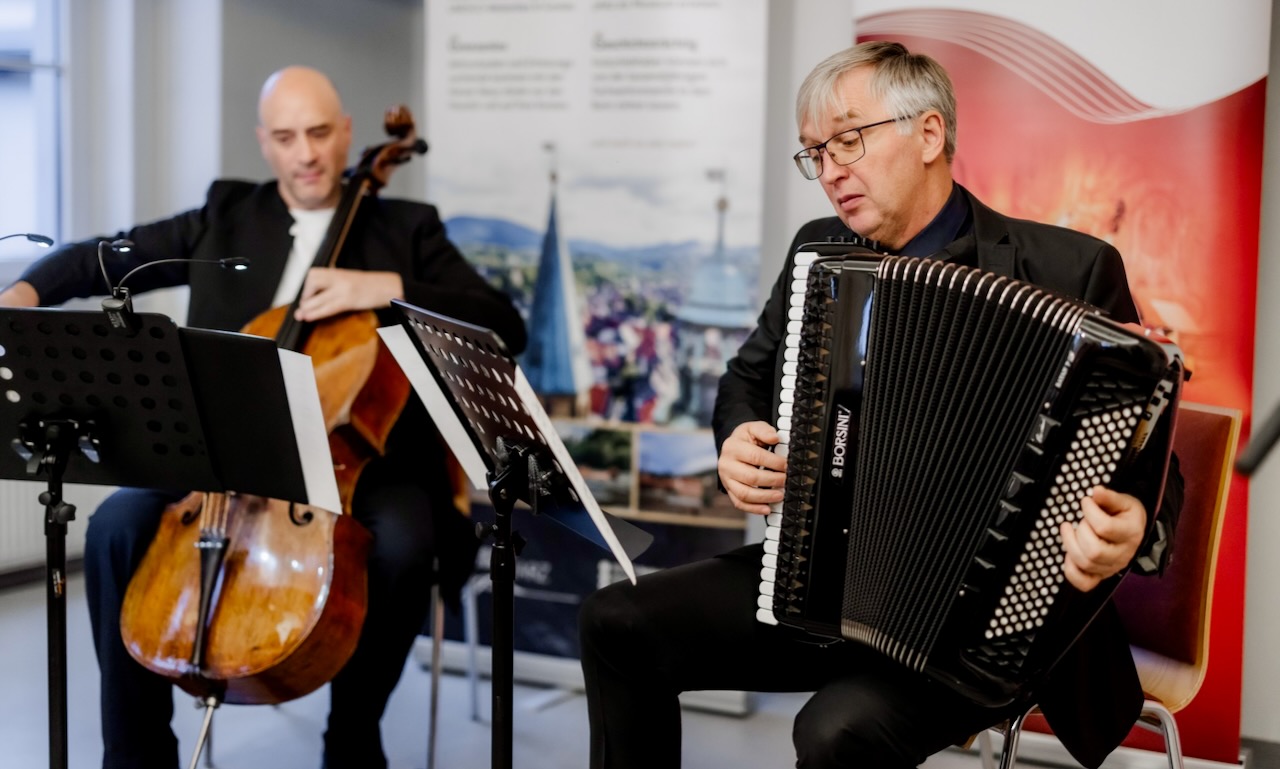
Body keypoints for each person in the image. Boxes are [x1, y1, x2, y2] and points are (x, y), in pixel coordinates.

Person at [578, 41, 1183, 769]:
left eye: (848, 140)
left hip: (986, 626)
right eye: (815, 152)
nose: (830, 169)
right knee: (617, 620)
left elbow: (1150, 464)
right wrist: (738, 436)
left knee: (837, 731)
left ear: (928, 134)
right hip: (823, 584)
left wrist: (1132, 522)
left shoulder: (1071, 269)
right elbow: (745, 377)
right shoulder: (818, 252)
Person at [0, 66, 526, 769]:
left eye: (319, 133)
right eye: (285, 137)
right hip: (223, 455)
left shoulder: (407, 228)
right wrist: (23, 294)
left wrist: (386, 286)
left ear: (346, 133)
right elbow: (107, 255)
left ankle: (352, 736)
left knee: (405, 544)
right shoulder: (226, 213)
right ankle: (135, 751)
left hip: (356, 460)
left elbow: (504, 322)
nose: (305, 154)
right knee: (115, 527)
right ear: (264, 142)